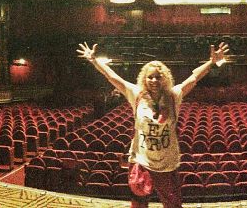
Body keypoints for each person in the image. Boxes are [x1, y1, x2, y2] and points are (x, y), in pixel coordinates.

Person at [77, 41, 229, 208]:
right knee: (139, 205)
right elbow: (112, 77)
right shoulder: (136, 94)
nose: (154, 80)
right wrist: (94, 60)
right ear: (144, 78)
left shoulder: (173, 95)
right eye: (150, 77)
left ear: (165, 78)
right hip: (142, 161)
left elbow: (193, 78)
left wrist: (211, 62)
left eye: (158, 76)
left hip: (167, 162)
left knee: (173, 205)